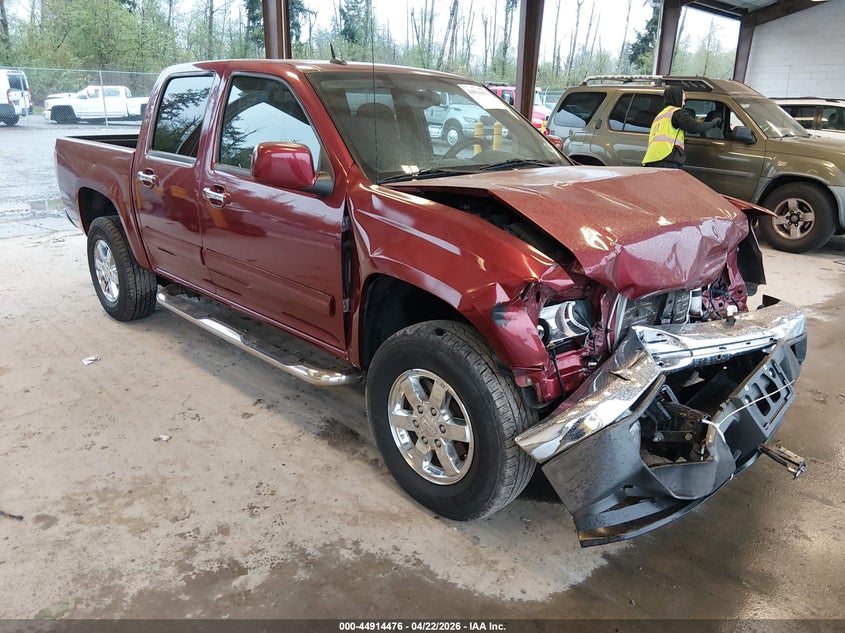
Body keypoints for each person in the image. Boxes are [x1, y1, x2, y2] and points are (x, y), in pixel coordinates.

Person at [642, 86, 721, 169]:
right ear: (677, 98)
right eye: (683, 100)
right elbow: (694, 127)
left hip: (652, 159)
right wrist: (712, 123)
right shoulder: (677, 112)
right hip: (667, 158)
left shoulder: (660, 115)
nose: (683, 103)